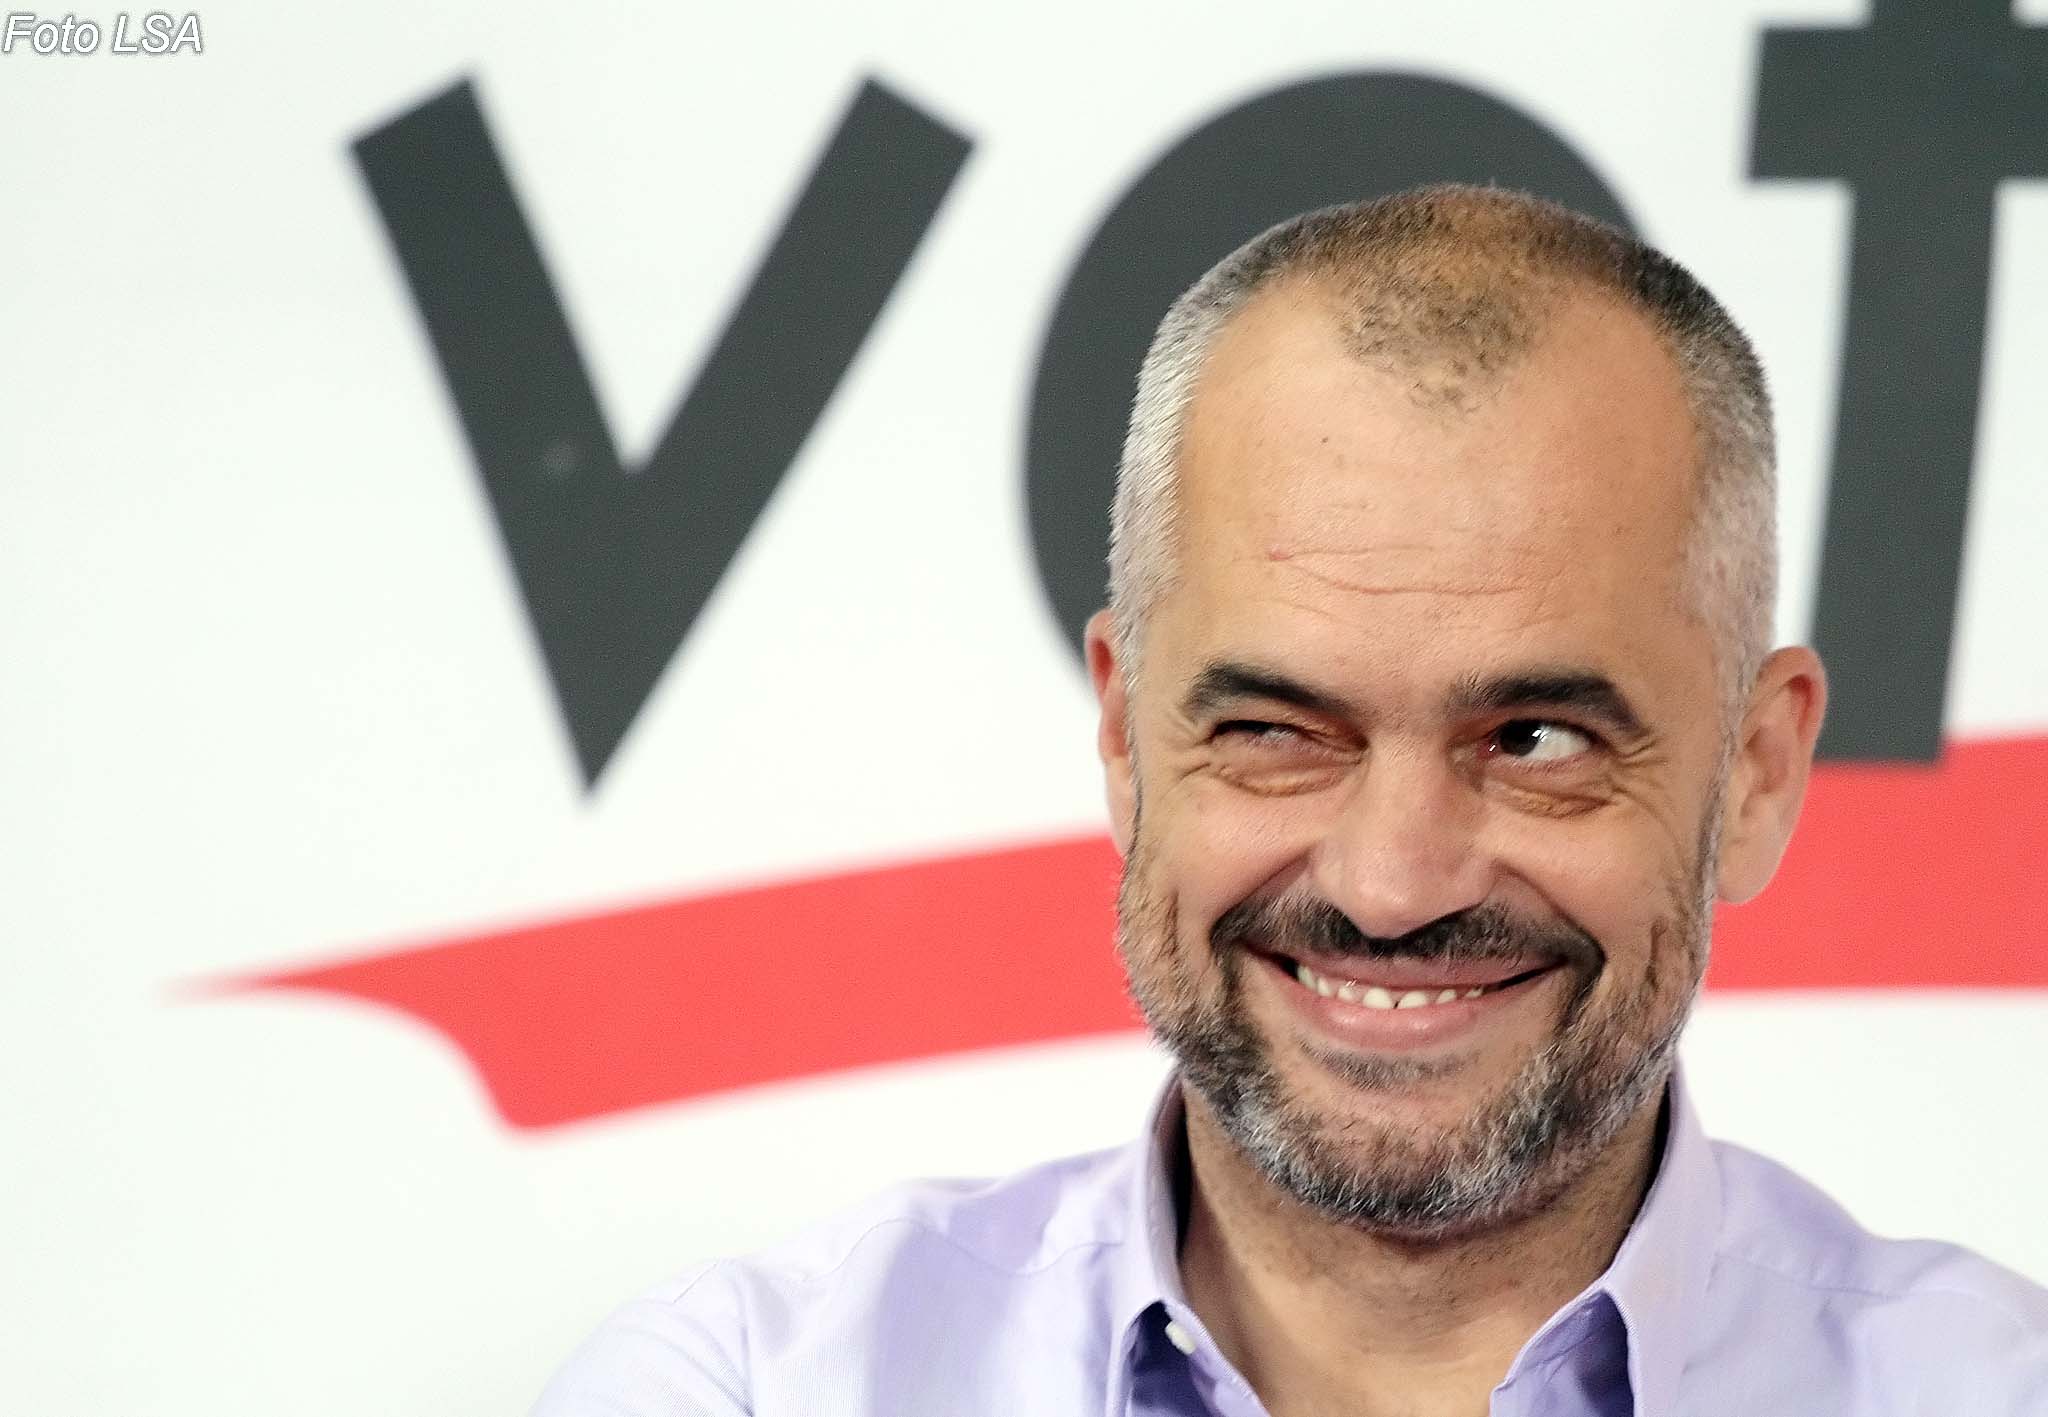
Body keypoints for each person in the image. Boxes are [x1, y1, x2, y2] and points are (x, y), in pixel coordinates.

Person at [532, 185, 2048, 1416]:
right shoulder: (750, 1390)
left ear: (1757, 773)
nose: (1393, 883)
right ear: (1124, 734)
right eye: (1275, 729)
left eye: (1533, 739)